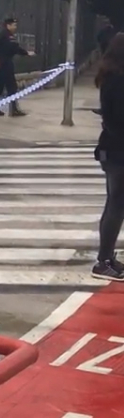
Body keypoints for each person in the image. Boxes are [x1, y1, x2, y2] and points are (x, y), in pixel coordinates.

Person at [91, 31, 124, 281]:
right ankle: (103, 261)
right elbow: (116, 119)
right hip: (117, 151)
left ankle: (107, 257)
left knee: (115, 204)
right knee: (116, 205)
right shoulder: (116, 81)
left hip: (113, 149)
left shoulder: (112, 77)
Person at [0, 17, 33, 117]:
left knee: (1, 87)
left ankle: (0, 108)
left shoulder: (4, 35)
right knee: (8, 87)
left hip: (3, 64)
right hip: (3, 64)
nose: (15, 27)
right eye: (14, 25)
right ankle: (10, 109)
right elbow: (13, 48)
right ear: (8, 25)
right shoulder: (5, 36)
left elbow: (13, 48)